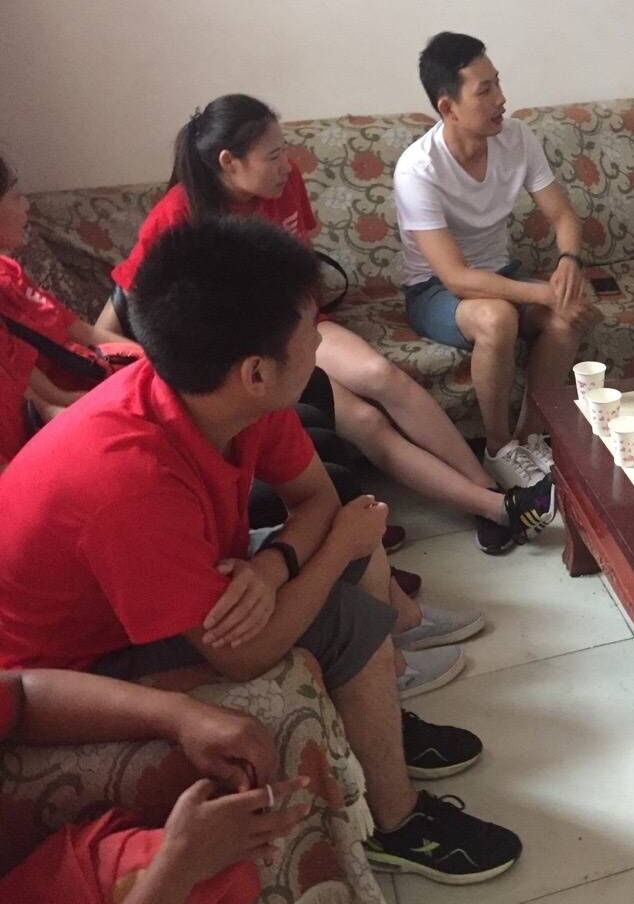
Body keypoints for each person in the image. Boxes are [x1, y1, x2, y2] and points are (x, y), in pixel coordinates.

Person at [0, 218, 523, 884]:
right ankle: (399, 823)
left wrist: (275, 565)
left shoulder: (228, 397)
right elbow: (241, 653)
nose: (320, 341)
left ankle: (379, 720)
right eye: (310, 333)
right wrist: (331, 551)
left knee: (352, 541)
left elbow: (317, 498)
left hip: (145, 595)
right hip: (68, 667)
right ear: (255, 371)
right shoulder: (127, 478)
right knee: (343, 597)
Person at [96, 94, 553, 555]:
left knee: (381, 375)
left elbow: (301, 264)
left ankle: (487, 490)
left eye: (285, 151)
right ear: (229, 162)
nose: (286, 165)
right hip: (252, 358)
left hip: (300, 328)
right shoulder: (178, 215)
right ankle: (494, 507)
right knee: (365, 421)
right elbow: (124, 304)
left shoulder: (285, 182)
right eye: (272, 156)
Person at [396, 31, 600, 488]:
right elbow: (455, 277)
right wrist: (544, 294)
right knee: (497, 318)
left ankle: (529, 440)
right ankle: (497, 448)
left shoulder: (516, 137)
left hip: (499, 273)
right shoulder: (418, 169)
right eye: (484, 90)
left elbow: (563, 215)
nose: (501, 99)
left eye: (498, 83)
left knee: (566, 318)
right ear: (448, 107)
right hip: (435, 290)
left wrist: (569, 262)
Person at [0, 668, 308, 903]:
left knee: (228, 871)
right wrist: (177, 869)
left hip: (60, 879)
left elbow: (21, 695)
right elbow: (244, 657)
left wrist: (181, 716)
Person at [0, 155, 137, 462]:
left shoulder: (9, 271)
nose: (26, 206)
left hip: (84, 384)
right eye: (16, 196)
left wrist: (150, 364)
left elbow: (80, 333)